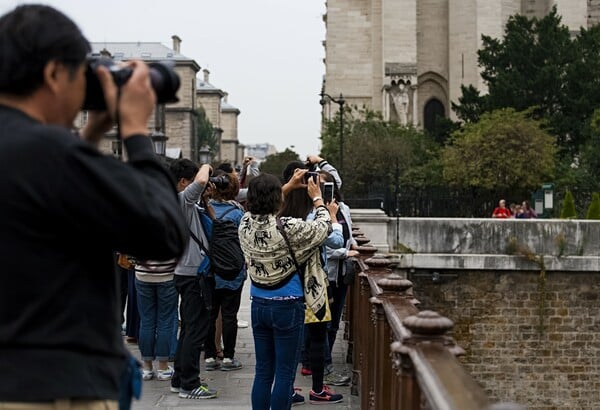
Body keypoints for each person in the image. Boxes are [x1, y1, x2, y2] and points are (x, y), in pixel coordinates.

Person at [0, 4, 188, 409]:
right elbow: (162, 232)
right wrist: (136, 132)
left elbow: (42, 195)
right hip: (47, 390)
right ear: (53, 74)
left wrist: (88, 135)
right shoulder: (50, 154)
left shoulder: (37, 155)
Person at [239, 172, 333, 409]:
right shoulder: (289, 226)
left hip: (258, 303)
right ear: (277, 200)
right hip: (287, 304)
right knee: (284, 373)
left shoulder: (245, 223)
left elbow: (263, 205)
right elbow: (323, 229)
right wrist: (319, 200)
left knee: (263, 372)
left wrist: (288, 186)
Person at [280, 160, 345, 405]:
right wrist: (331, 215)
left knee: (290, 340)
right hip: (315, 283)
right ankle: (318, 389)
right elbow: (336, 241)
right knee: (318, 338)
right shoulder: (314, 216)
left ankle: (287, 388)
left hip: (287, 281)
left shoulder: (283, 213)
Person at [168, 159, 219, 400]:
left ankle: (180, 380)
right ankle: (190, 383)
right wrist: (207, 166)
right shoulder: (181, 200)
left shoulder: (186, 204)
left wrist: (206, 198)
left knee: (189, 329)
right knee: (196, 331)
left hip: (188, 272)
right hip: (192, 275)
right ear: (182, 183)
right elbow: (199, 180)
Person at [203, 170, 246, 372]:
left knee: (210, 314)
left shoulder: (204, 210)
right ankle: (229, 357)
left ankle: (210, 356)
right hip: (232, 271)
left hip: (210, 268)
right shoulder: (238, 213)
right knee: (230, 315)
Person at [319, 169, 357, 387]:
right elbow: (324, 245)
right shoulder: (316, 212)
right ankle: (324, 366)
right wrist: (345, 252)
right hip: (327, 273)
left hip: (342, 274)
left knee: (333, 323)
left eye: (328, 185)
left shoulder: (344, 208)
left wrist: (353, 245)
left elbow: (346, 236)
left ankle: (326, 361)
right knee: (323, 322)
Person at [134, 256, 178, 381]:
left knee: (146, 321)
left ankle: (147, 367)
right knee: (166, 322)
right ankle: (163, 367)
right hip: (168, 274)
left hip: (143, 273)